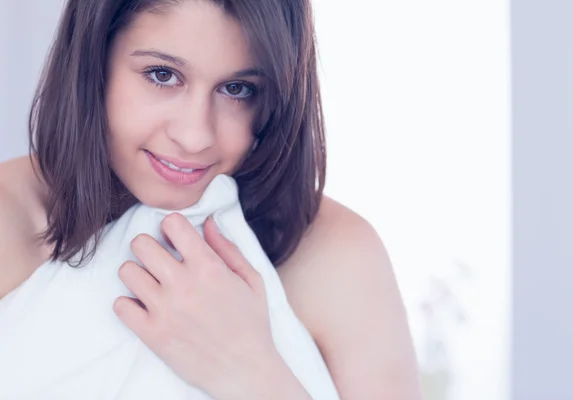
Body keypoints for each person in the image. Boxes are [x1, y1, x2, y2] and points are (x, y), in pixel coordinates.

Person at [0, 0, 421, 398]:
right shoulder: (10, 214)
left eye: (237, 89)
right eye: (162, 75)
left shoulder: (336, 252)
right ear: (94, 62)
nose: (195, 136)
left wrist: (250, 372)